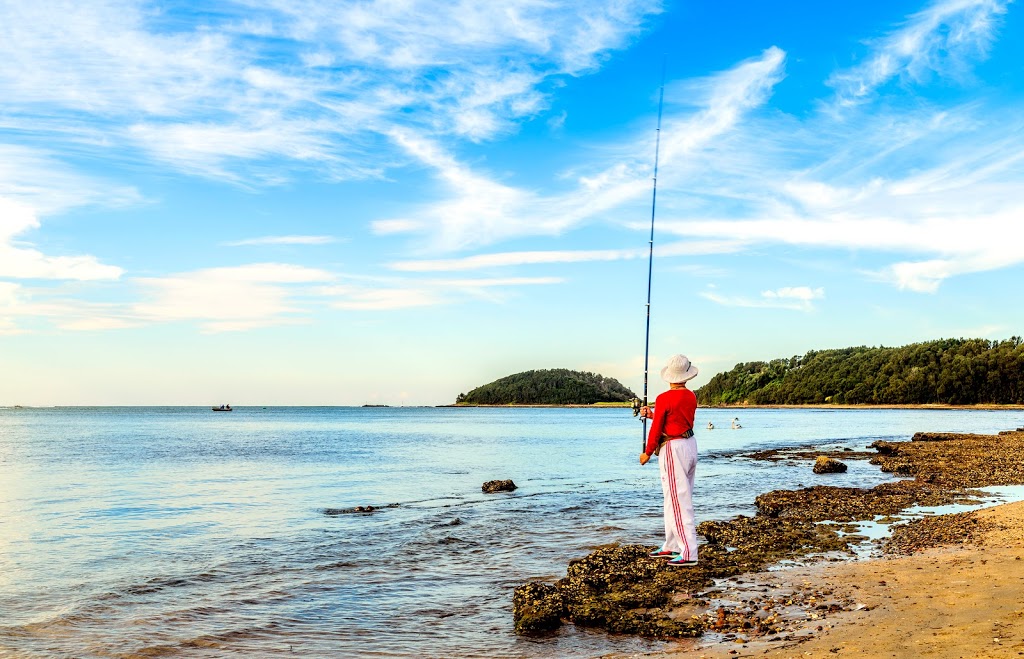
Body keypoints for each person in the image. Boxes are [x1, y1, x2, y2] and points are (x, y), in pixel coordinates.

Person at [638, 354, 700, 567]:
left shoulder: (664, 397)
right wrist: (653, 414)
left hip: (673, 449)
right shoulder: (691, 396)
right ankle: (671, 545)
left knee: (678, 500)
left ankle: (689, 553)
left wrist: (647, 452)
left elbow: (657, 430)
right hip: (690, 445)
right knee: (673, 498)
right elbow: (675, 417)